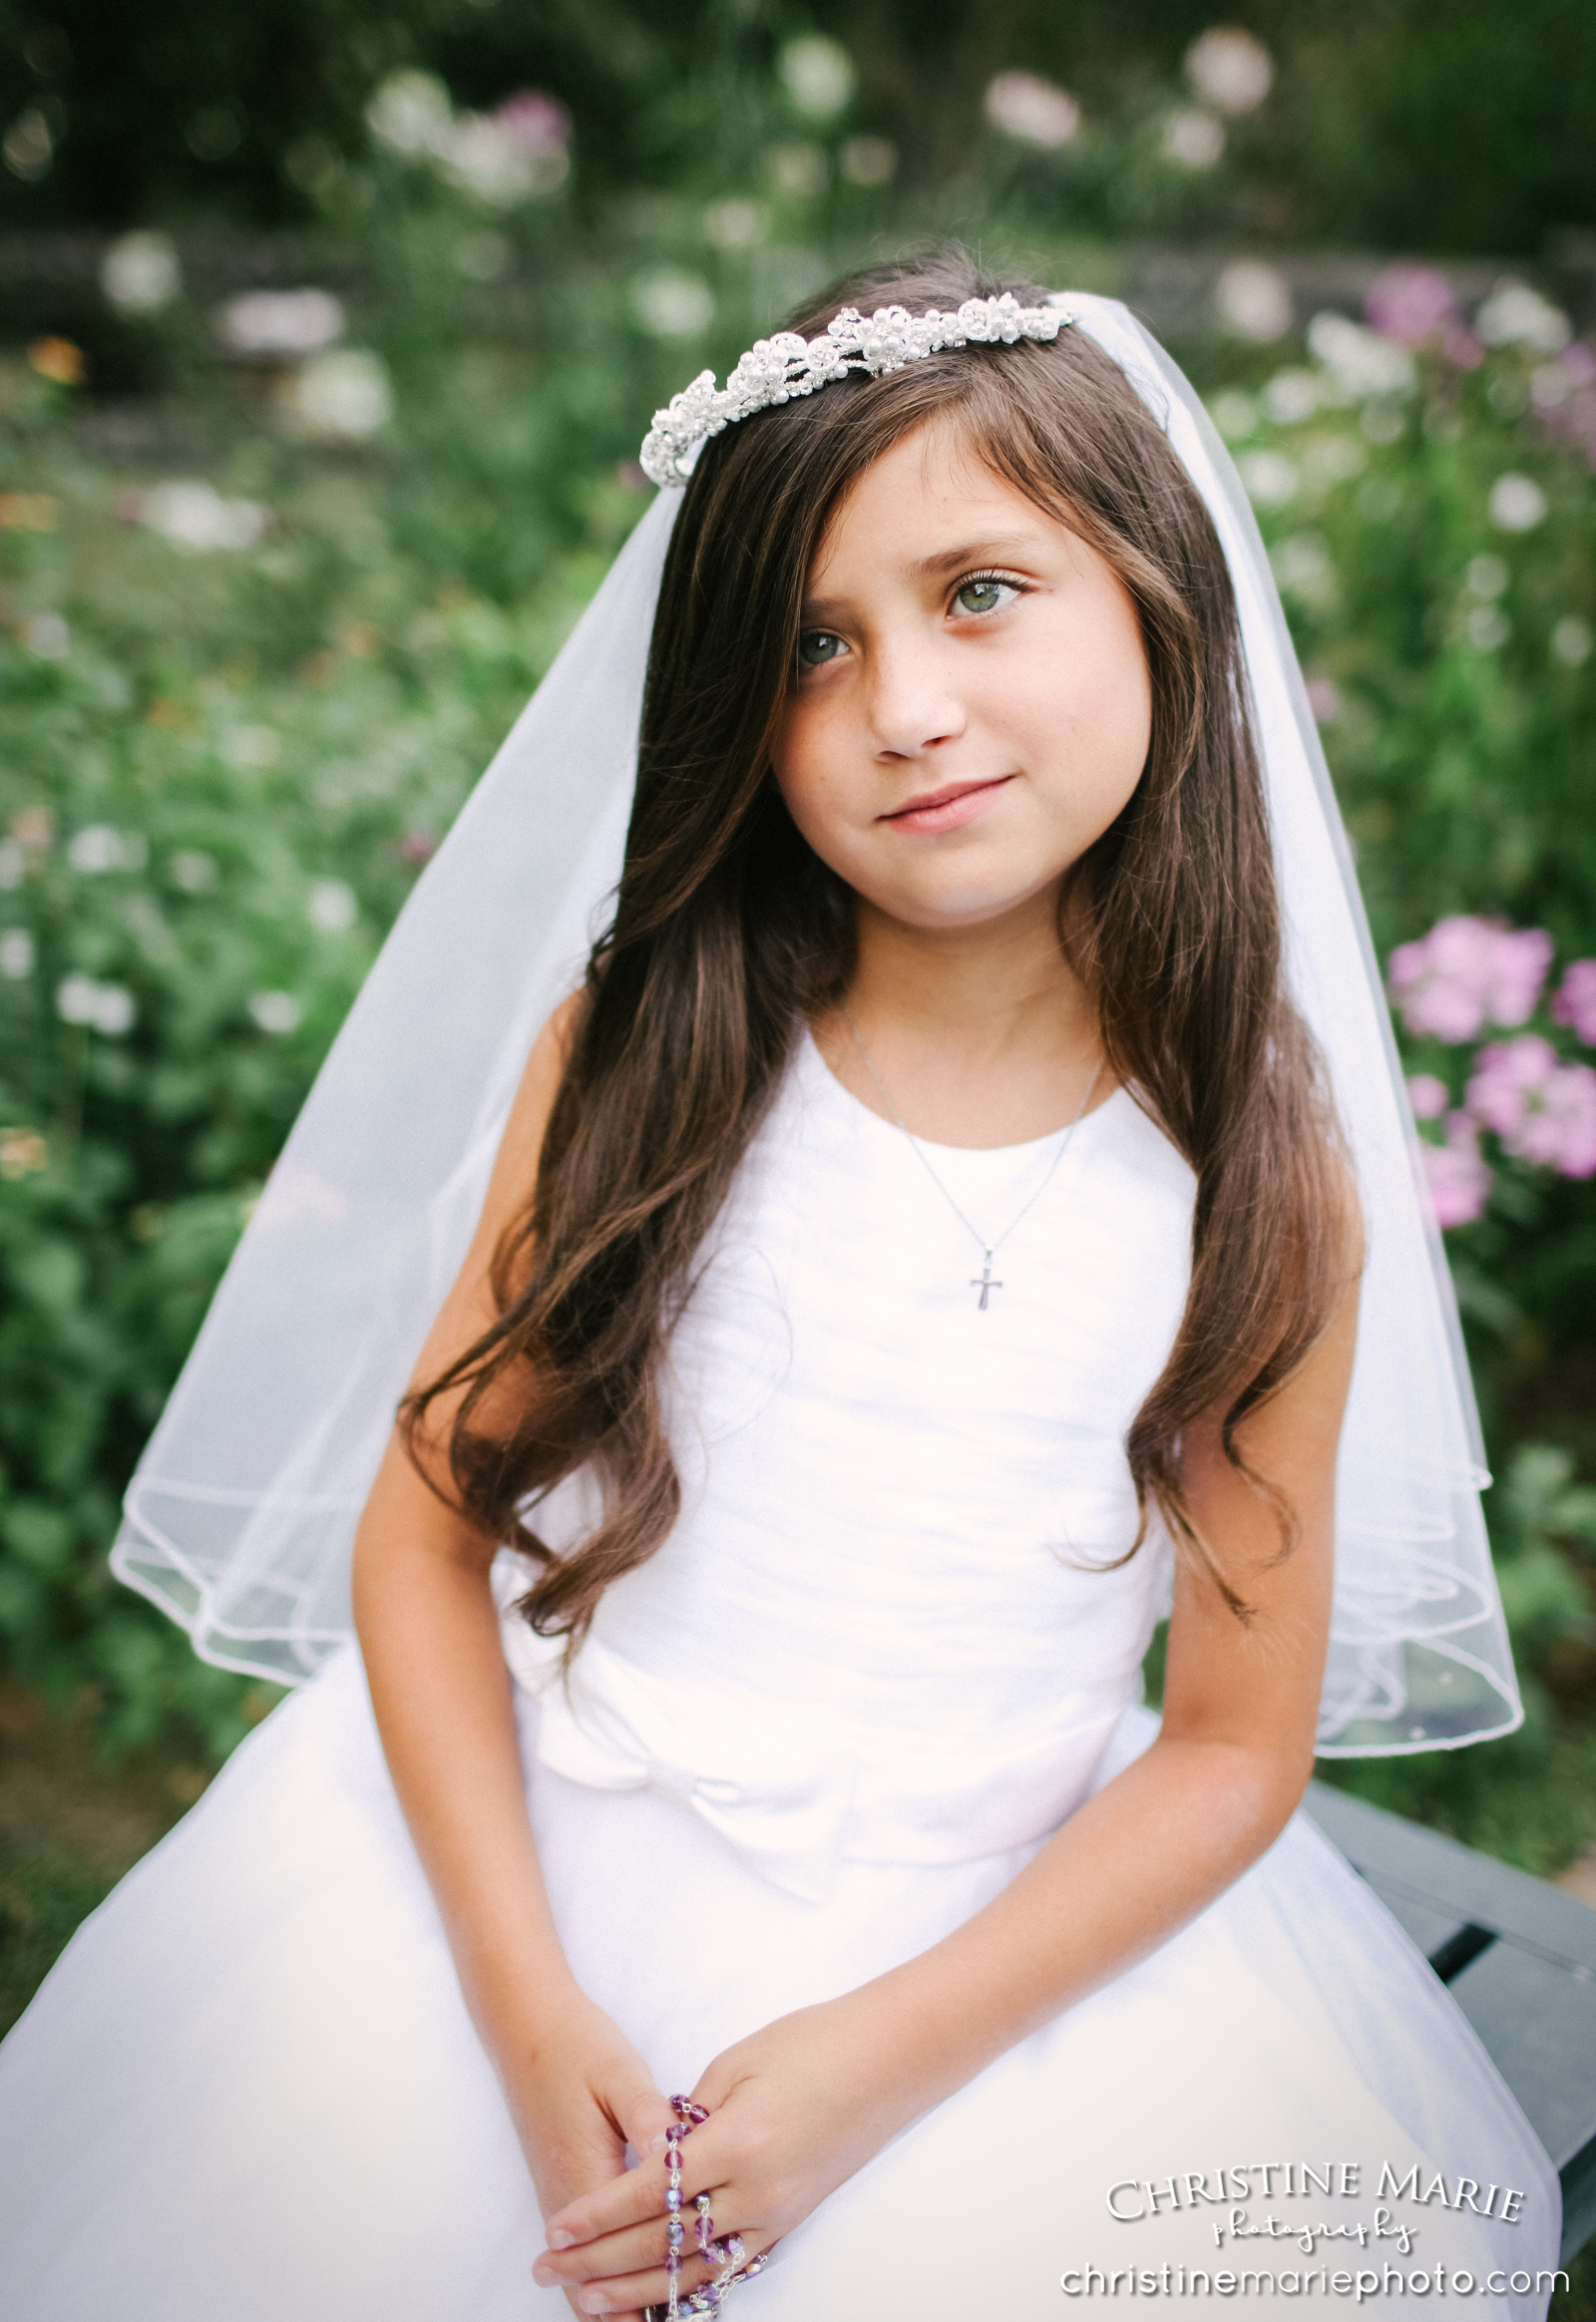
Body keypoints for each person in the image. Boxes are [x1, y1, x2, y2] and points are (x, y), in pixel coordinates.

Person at [0, 255, 1561, 2321]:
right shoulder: (646, 1057)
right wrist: (520, 2005)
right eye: (810, 645)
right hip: (506, 1895)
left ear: (1156, 595)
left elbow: (1225, 1751)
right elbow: (418, 1539)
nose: (902, 706)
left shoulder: (1258, 1179)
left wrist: (869, 2071)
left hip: (975, 1970)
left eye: (978, 591)